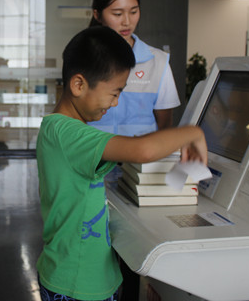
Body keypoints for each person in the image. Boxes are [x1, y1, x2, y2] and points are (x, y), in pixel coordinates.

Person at [36, 26, 207, 301]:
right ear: (78, 85)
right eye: (114, 93)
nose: (115, 104)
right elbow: (142, 150)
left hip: (84, 275)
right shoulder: (68, 134)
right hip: (78, 283)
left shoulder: (63, 130)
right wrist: (193, 133)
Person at [88, 0, 180, 136]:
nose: (127, 22)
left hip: (139, 157)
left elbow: (164, 124)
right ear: (97, 15)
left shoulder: (157, 61)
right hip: (92, 155)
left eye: (133, 12)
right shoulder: (84, 56)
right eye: (117, 14)